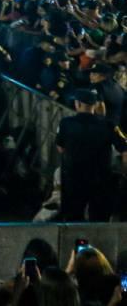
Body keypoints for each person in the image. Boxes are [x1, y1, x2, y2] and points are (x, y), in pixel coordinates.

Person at [56, 88, 125, 221]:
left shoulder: (66, 123)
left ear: (78, 104)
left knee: (73, 216)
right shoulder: (109, 125)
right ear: (95, 105)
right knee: (99, 217)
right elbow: (124, 147)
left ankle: (76, 241)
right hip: (101, 177)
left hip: (74, 176)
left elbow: (60, 148)